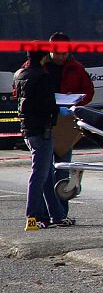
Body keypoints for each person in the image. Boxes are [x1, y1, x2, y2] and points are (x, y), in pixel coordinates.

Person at [16, 50, 68, 228]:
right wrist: (56, 113)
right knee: (40, 175)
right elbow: (46, 103)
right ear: (43, 57)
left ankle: (57, 215)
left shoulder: (20, 74)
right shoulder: (42, 76)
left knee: (46, 176)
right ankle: (33, 215)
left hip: (27, 128)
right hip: (42, 129)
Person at [48, 32, 94, 222]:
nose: (59, 57)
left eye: (63, 53)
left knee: (63, 169)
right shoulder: (38, 67)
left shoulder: (76, 68)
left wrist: (75, 101)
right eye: (56, 53)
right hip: (45, 122)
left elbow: (88, 91)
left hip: (66, 124)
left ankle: (61, 214)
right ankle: (48, 213)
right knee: (44, 171)